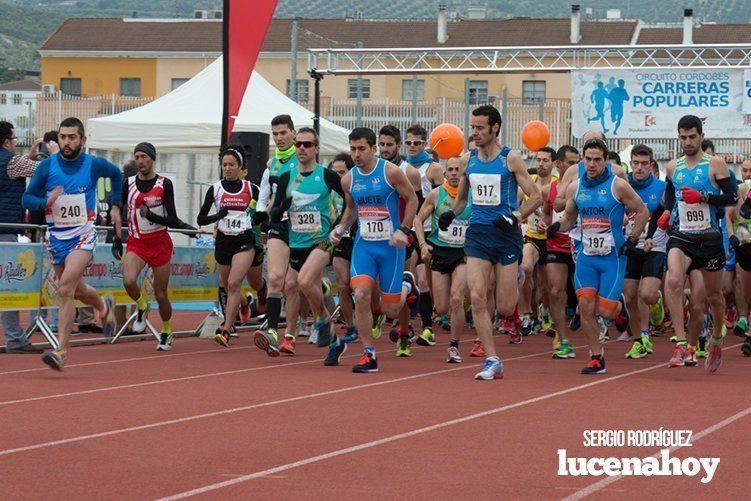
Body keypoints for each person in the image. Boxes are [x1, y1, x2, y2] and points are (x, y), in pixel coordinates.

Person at [441, 106, 542, 380]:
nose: (474, 133)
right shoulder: (467, 159)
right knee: (476, 296)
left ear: (494, 128)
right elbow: (461, 201)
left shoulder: (511, 159)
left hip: (506, 235)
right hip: (478, 234)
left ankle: (516, 275)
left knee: (507, 307)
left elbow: (536, 197)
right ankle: (492, 359)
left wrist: (516, 217)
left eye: (480, 128)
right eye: (472, 127)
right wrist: (450, 214)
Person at [22, 117, 122, 370]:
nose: (66, 142)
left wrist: (117, 206)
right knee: (75, 290)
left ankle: (61, 351)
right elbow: (26, 198)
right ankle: (103, 305)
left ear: (83, 140)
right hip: (56, 237)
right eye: (62, 137)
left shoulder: (93, 165)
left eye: (72, 137)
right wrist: (44, 203)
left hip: (83, 235)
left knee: (65, 289)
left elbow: (117, 174)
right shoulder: (47, 168)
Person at [547, 138, 648, 374]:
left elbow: (642, 210)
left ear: (606, 161)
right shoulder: (576, 186)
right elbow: (569, 219)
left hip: (612, 256)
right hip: (587, 257)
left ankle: (620, 309)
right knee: (585, 306)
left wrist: (632, 238)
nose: (592, 164)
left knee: (605, 311)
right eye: (588, 159)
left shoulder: (618, 185)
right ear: (583, 160)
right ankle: (596, 357)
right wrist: (556, 227)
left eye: (597, 160)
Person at [329, 127, 418, 373]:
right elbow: (351, 209)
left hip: (391, 247)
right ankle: (369, 354)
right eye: (353, 149)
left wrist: (404, 229)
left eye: (361, 149)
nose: (356, 154)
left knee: (390, 309)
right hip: (364, 245)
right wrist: (341, 228)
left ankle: (407, 286)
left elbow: (412, 199)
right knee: (361, 294)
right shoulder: (348, 179)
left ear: (374, 148)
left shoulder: (390, 172)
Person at [256, 128, 344, 357]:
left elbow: (350, 203)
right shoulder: (287, 177)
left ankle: (323, 318)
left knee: (304, 282)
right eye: (299, 144)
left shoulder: (327, 175)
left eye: (307, 144)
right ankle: (335, 341)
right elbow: (276, 213)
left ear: (316, 148)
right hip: (297, 243)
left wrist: (340, 227)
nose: (302, 148)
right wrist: (279, 209)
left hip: (322, 241)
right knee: (290, 285)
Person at [663, 115, 737, 373]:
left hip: (709, 237)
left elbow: (732, 196)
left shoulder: (715, 164)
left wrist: (704, 196)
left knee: (714, 297)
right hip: (682, 235)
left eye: (692, 136)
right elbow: (670, 198)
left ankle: (716, 339)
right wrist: (663, 215)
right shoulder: (673, 167)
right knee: (673, 279)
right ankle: (681, 343)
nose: (688, 142)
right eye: (683, 137)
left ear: (701, 136)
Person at [117, 142, 184, 351]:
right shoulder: (128, 183)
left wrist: (152, 215)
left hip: (159, 243)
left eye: (144, 157)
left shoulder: (164, 184)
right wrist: (115, 237)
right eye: (136, 157)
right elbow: (119, 211)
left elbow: (173, 219)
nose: (140, 161)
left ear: (152, 159)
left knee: (161, 294)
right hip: (137, 242)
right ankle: (142, 306)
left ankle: (166, 330)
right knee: (128, 280)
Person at [197, 144, 259, 348]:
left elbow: (264, 211)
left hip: (244, 240)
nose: (227, 168)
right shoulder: (215, 189)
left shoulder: (251, 189)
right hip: (223, 241)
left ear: (241, 167)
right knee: (226, 285)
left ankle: (226, 330)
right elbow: (201, 218)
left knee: (233, 283)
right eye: (224, 164)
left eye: (232, 164)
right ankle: (243, 302)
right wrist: (218, 216)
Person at [1, 121, 55, 353]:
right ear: (6, 142)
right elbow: (43, 171)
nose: (15, 144)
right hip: (6, 232)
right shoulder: (11, 162)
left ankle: (16, 338)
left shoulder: (13, 161)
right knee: (9, 288)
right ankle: (15, 339)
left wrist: (29, 157)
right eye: (13, 140)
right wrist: (53, 154)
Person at [414, 155, 471, 363]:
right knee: (442, 307)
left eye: (458, 170)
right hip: (440, 250)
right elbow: (418, 219)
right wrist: (422, 245)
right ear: (445, 174)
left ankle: (454, 345)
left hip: (464, 252)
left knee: (456, 298)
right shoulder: (437, 195)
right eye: (451, 170)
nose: (455, 173)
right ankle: (455, 310)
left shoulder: (472, 195)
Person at [251, 115, 298, 356]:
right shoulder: (272, 164)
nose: (279, 138)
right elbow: (264, 194)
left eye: (283, 133)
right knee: (277, 278)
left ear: (293, 133)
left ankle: (291, 333)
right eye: (275, 134)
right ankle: (272, 331)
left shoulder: (303, 160)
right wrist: (261, 214)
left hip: (302, 229)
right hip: (279, 226)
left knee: (293, 285)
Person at [622, 144, 667, 359]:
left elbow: (669, 216)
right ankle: (641, 338)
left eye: (644, 164)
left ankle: (656, 302)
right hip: (629, 246)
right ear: (630, 164)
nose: (639, 168)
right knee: (629, 295)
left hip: (654, 246)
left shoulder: (661, 188)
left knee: (646, 294)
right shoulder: (623, 186)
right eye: (636, 163)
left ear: (651, 165)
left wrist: (652, 237)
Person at [404, 124, 444, 346]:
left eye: (416, 143)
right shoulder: (398, 167)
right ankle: (406, 325)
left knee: (423, 279)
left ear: (424, 144)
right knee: (406, 278)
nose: (411, 146)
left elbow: (444, 197)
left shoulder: (433, 168)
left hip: (427, 230)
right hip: (405, 228)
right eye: (408, 142)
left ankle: (428, 328)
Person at [541, 145, 580, 358]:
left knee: (585, 294)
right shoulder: (550, 189)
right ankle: (563, 339)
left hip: (581, 245)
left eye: (578, 162)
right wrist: (545, 224)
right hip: (557, 244)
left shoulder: (584, 186)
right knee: (555, 291)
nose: (576, 167)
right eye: (571, 163)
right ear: (559, 164)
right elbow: (547, 214)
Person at [518, 146, 558, 336]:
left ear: (553, 163)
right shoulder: (528, 184)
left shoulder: (559, 185)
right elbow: (515, 206)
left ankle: (545, 311)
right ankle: (526, 315)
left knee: (547, 285)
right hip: (532, 237)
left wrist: (547, 219)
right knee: (525, 269)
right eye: (538, 160)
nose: (541, 164)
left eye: (545, 160)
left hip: (552, 240)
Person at [328, 153, 359, 345]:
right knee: (342, 284)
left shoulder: (357, 187)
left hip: (361, 240)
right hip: (340, 242)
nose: (338, 176)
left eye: (342, 172)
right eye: (335, 172)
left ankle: (374, 313)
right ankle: (351, 326)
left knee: (362, 287)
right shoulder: (328, 191)